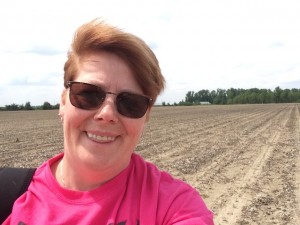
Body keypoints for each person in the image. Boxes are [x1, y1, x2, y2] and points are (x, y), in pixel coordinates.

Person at [3, 18, 214, 225]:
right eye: (88, 94)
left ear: (147, 114)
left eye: (130, 103)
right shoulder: (7, 193)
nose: (107, 113)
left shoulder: (174, 206)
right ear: (63, 102)